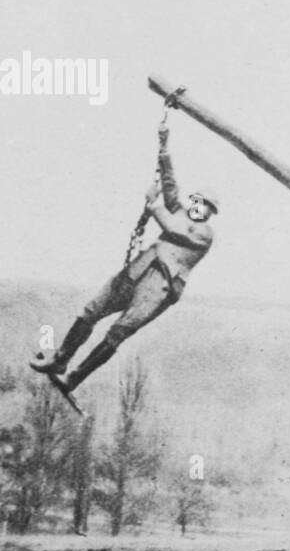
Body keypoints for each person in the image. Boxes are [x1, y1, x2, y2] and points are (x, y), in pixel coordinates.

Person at [30, 122, 218, 391]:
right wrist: (164, 146)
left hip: (158, 290)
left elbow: (173, 229)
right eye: (198, 202)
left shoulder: (204, 234)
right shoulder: (180, 210)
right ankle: (60, 360)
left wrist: (154, 207)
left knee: (118, 333)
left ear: (211, 213)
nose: (200, 208)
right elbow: (170, 183)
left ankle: (74, 379)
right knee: (93, 309)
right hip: (137, 271)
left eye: (207, 207)